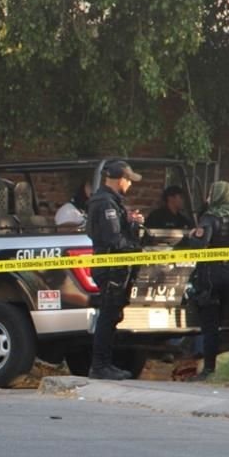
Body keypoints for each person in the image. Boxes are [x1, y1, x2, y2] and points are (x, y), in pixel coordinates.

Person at [85, 160, 144, 380]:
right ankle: (100, 366)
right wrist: (134, 242)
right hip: (110, 268)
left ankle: (105, 364)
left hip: (113, 267)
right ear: (121, 179)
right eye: (129, 180)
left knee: (112, 315)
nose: (130, 184)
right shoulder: (105, 203)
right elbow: (113, 239)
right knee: (108, 316)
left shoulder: (110, 201)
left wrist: (132, 223)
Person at [186, 181, 229, 380]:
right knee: (225, 322)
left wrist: (192, 235)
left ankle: (209, 369)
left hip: (210, 275)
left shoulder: (211, 217)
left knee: (210, 324)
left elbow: (200, 245)